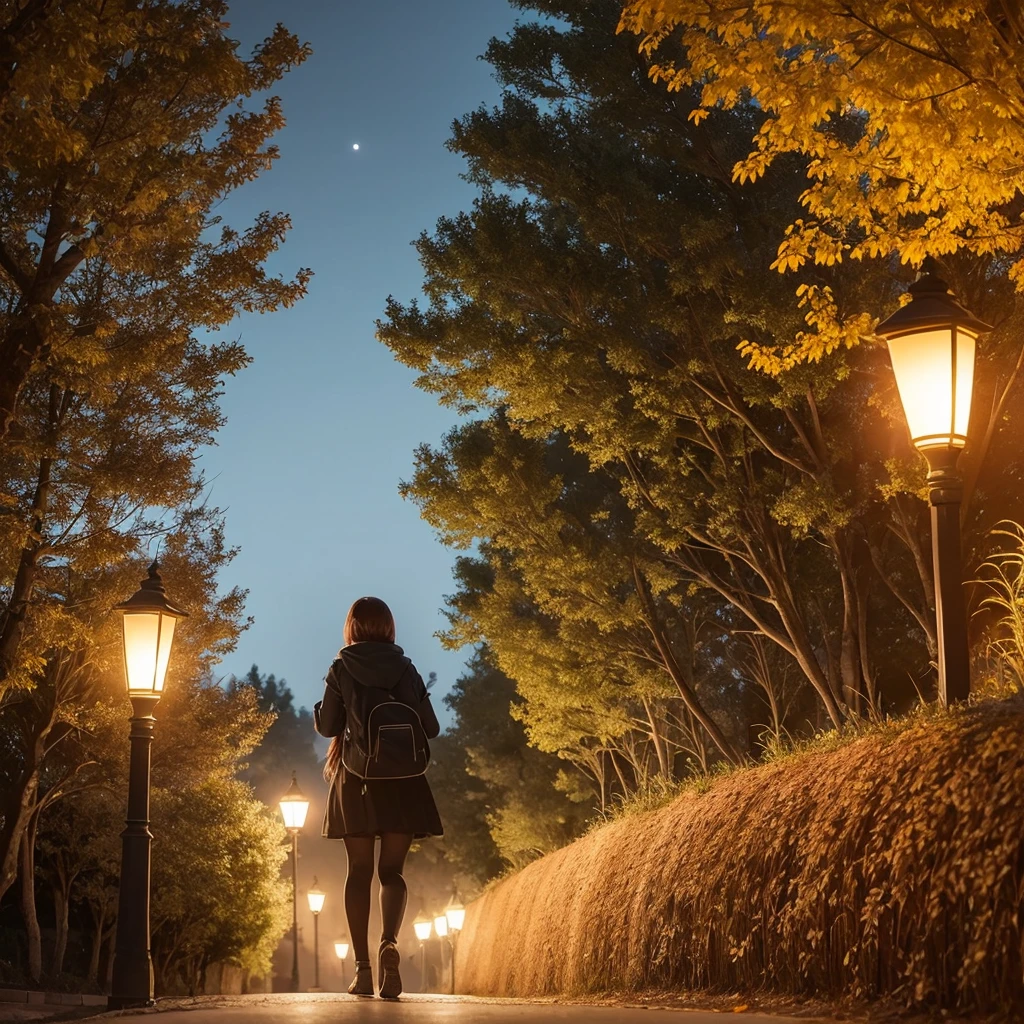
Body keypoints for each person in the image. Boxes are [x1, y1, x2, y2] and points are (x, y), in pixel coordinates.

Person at [314, 596, 443, 1000]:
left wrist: (321, 709)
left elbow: (329, 726)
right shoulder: (406, 668)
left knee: (359, 873)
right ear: (388, 627)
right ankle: (389, 943)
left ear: (352, 627)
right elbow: (432, 728)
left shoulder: (341, 668)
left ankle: (364, 970)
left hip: (357, 781)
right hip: (404, 782)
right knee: (392, 872)